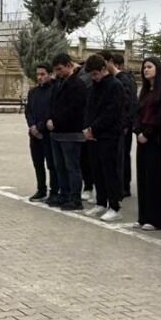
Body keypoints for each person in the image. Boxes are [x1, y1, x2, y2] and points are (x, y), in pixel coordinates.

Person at [83, 54, 124, 222]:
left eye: (95, 74)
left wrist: (94, 128)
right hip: (93, 136)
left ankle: (114, 206)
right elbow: (88, 108)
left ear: (103, 69)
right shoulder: (94, 86)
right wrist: (87, 128)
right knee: (97, 170)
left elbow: (111, 112)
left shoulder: (115, 85)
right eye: (91, 75)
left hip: (109, 136)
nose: (93, 77)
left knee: (109, 171)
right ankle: (101, 202)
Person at [46, 53, 90, 211]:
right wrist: (50, 119)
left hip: (71, 132)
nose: (58, 73)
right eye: (56, 70)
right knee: (60, 166)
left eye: (60, 69)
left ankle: (75, 198)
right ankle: (63, 194)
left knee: (72, 167)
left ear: (69, 66)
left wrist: (56, 121)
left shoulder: (77, 84)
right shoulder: (59, 83)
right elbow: (53, 104)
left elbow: (73, 109)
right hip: (57, 133)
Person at [134, 57, 161, 230]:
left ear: (157, 68)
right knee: (143, 178)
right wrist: (137, 131)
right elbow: (137, 112)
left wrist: (147, 133)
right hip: (142, 138)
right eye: (144, 67)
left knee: (154, 179)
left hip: (155, 140)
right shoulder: (144, 90)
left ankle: (155, 219)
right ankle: (143, 217)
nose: (146, 70)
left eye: (149, 67)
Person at [25, 64, 56, 201]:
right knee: (38, 163)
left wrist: (40, 127)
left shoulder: (54, 91)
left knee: (52, 164)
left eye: (43, 74)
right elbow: (28, 111)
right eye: (38, 74)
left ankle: (54, 191)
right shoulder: (33, 92)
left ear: (50, 74)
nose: (39, 77)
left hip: (47, 134)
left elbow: (51, 112)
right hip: (34, 134)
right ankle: (41, 189)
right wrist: (32, 126)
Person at [110, 52, 138, 199]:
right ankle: (121, 186)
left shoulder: (124, 80)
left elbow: (129, 103)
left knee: (122, 156)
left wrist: (126, 123)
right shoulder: (125, 79)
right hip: (124, 124)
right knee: (121, 156)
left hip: (124, 125)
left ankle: (123, 187)